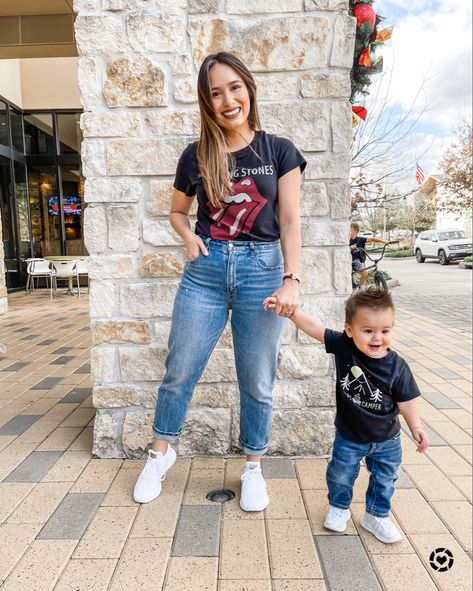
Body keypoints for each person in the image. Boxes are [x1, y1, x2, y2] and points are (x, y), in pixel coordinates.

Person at [133, 52, 306, 511]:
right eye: (215, 93)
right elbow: (175, 211)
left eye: (234, 87)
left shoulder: (279, 151)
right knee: (180, 369)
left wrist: (291, 279)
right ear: (206, 103)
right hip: (206, 273)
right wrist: (188, 236)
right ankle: (158, 455)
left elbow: (289, 221)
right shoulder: (196, 154)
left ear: (248, 88)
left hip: (263, 271)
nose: (228, 100)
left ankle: (253, 468)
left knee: (257, 379)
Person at [263, 286, 429, 543]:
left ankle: (376, 516)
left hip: (387, 439)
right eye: (368, 331)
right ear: (350, 331)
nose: (377, 338)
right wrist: (291, 313)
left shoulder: (397, 366)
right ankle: (339, 508)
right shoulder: (344, 347)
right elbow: (316, 329)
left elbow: (406, 400)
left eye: (385, 331)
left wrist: (416, 427)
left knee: (385, 479)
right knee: (341, 474)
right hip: (350, 436)